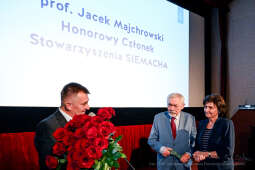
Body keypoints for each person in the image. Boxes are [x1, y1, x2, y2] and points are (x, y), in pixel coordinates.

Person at [34, 82, 90, 170]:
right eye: (84, 104)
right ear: (68, 105)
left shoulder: (84, 122)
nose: (88, 107)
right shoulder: (47, 126)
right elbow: (49, 165)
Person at [148, 93, 197, 170]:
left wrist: (188, 153)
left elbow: (194, 141)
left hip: (183, 164)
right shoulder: (158, 118)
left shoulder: (190, 118)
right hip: (164, 164)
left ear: (182, 106)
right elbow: (151, 140)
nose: (171, 108)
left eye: (175, 106)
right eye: (169, 105)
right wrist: (161, 149)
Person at [193, 94, 235, 170]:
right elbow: (197, 146)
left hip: (220, 167)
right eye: (205, 107)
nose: (206, 110)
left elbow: (227, 152)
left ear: (219, 110)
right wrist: (196, 155)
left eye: (210, 107)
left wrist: (206, 154)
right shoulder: (202, 123)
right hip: (203, 167)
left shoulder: (226, 123)